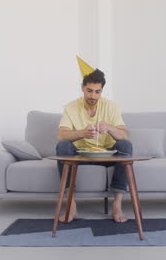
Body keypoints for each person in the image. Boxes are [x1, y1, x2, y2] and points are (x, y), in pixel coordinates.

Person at [56, 56, 133, 223]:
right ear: (82, 88)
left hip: (107, 155)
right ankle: (71, 205)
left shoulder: (111, 106)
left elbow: (125, 135)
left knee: (125, 145)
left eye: (97, 91)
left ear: (101, 91)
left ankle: (117, 205)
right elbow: (62, 135)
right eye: (89, 90)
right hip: (80, 155)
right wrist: (82, 133)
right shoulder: (71, 107)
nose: (93, 95)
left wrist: (111, 128)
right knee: (63, 146)